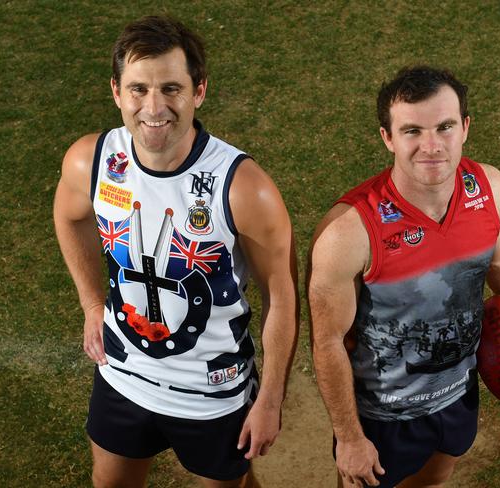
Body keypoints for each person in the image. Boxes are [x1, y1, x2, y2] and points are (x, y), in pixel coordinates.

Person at [53, 16, 298, 488]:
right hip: (122, 374)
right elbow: (69, 216)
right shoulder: (92, 160)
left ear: (198, 91)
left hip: (213, 393)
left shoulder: (245, 188)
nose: (154, 107)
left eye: (171, 88)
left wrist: (270, 398)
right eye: (138, 89)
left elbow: (282, 297)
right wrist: (90, 304)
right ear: (117, 92)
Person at [308, 65, 500, 488]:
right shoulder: (349, 231)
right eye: (412, 131)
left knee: (437, 476)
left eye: (444, 127)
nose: (432, 146)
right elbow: (327, 339)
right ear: (387, 137)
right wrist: (349, 438)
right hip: (383, 414)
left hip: (459, 393)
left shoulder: (488, 188)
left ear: (465, 128)